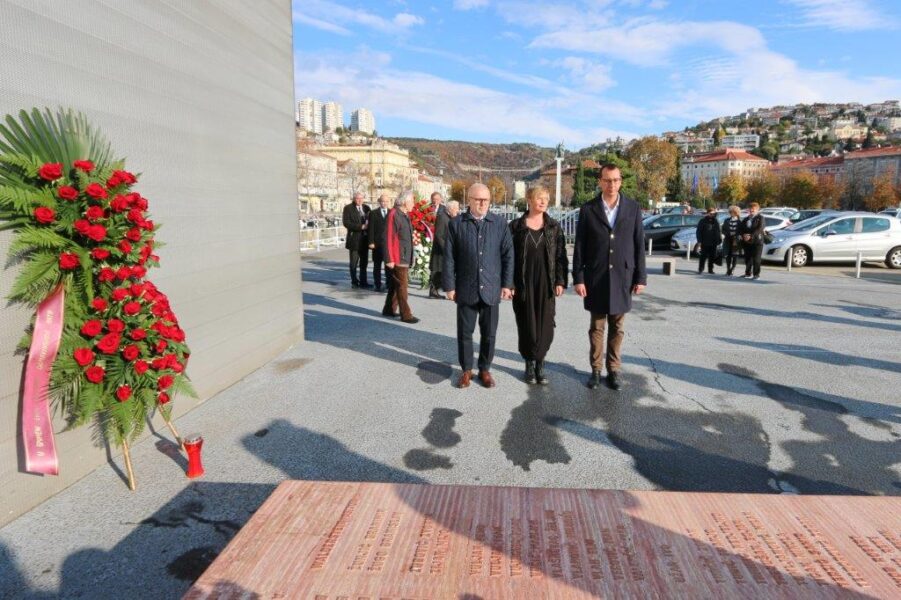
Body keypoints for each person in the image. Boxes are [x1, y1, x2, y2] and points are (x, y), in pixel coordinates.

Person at [572, 164, 647, 391]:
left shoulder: (633, 208)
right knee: (597, 327)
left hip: (623, 275)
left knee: (618, 327)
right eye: (607, 180)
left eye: (615, 180)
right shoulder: (588, 209)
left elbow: (639, 243)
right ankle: (595, 370)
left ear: (620, 181)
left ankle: (613, 370)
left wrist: (640, 277)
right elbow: (580, 246)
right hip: (596, 276)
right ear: (600, 182)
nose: (611, 184)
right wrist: (579, 278)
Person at [444, 183, 514, 389]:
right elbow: (449, 258)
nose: (482, 203)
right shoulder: (456, 224)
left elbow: (508, 255)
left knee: (489, 333)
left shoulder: (500, 223)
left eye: (486, 200)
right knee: (465, 333)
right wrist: (449, 285)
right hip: (466, 287)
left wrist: (507, 284)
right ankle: (466, 370)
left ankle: (484, 369)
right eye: (478, 199)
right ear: (469, 201)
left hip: (492, 288)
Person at [509, 186, 568, 385]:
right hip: (523, 283)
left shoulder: (553, 227)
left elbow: (561, 257)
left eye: (546, 198)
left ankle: (540, 364)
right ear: (529, 199)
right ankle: (528, 364)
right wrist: (509, 283)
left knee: (545, 325)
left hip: (546, 282)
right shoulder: (516, 226)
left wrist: (560, 280)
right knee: (526, 324)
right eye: (538, 198)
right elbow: (508, 258)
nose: (543, 202)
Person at [383, 191, 420, 324]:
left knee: (395, 284)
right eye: (412, 202)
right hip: (398, 257)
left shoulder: (404, 215)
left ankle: (389, 309)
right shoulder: (394, 214)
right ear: (405, 202)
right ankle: (406, 314)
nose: (414, 204)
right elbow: (387, 237)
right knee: (402, 286)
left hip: (404, 255)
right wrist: (389, 259)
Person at [342, 192, 371, 288]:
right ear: (354, 199)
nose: (360, 200)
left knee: (364, 263)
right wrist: (360, 227)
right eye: (357, 198)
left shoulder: (367, 208)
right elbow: (346, 223)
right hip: (354, 239)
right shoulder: (348, 208)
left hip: (365, 240)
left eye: (361, 198)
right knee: (354, 263)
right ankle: (354, 281)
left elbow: (370, 221)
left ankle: (363, 282)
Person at [367, 194, 391, 292]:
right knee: (377, 266)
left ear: (388, 202)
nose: (384, 203)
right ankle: (377, 284)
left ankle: (388, 284)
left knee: (388, 266)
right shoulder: (373, 213)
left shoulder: (391, 212)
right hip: (377, 244)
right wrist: (371, 242)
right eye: (382, 201)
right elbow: (370, 229)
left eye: (386, 201)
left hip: (388, 244)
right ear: (379, 202)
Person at [428, 192, 447, 298]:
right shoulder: (427, 208)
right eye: (433, 199)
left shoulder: (444, 209)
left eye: (437, 199)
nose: (435, 201)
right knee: (435, 267)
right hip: (429, 237)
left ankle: (436, 288)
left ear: (440, 199)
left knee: (439, 266)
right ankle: (433, 289)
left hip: (436, 238)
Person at [740, 202, 765, 280]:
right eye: (750, 210)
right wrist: (743, 235)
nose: (751, 212)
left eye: (753, 210)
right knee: (748, 258)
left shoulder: (760, 218)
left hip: (757, 241)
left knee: (756, 259)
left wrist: (751, 236)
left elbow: (760, 229)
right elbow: (741, 228)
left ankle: (756, 275)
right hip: (747, 242)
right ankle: (747, 273)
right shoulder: (746, 219)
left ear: (757, 210)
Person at [696, 207, 722, 274]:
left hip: (714, 242)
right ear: (707, 213)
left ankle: (710, 269)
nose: (712, 215)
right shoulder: (702, 221)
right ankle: (700, 269)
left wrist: (719, 240)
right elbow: (698, 231)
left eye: (713, 213)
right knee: (703, 256)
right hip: (705, 242)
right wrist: (699, 241)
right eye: (710, 213)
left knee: (712, 257)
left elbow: (719, 231)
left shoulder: (716, 221)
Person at [721, 205, 742, 276]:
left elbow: (741, 231)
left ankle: (732, 269)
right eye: (731, 212)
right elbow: (723, 229)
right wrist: (723, 234)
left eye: (733, 212)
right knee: (728, 255)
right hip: (727, 239)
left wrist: (737, 235)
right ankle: (728, 269)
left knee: (735, 255)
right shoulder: (726, 220)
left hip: (735, 240)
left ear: (736, 213)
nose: (731, 213)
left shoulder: (739, 222)